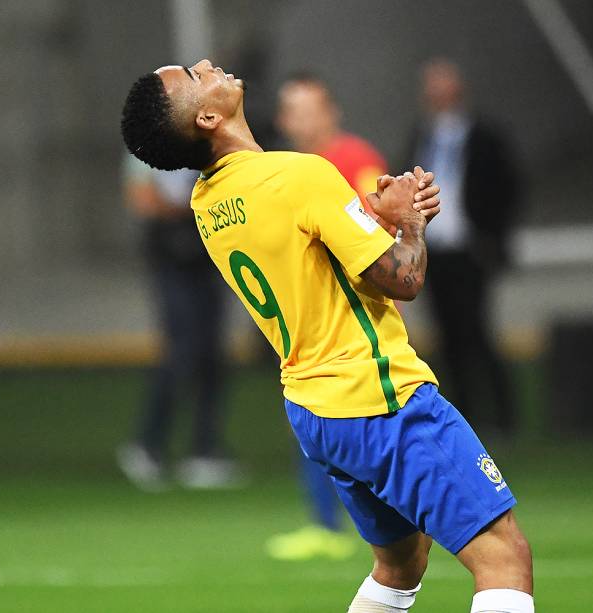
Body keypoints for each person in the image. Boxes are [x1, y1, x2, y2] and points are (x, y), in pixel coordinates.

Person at [121, 59, 534, 613]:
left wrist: (374, 219)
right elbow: (404, 279)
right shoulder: (300, 175)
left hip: (317, 413)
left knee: (399, 566)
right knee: (503, 555)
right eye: (193, 79)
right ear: (211, 117)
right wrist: (409, 225)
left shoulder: (208, 204)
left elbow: (312, 254)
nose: (204, 65)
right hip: (380, 396)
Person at [262, 73, 389, 561]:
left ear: (331, 111)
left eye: (309, 107)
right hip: (309, 326)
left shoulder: (356, 159)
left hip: (359, 320)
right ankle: (325, 524)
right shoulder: (281, 170)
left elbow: (377, 231)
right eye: (292, 109)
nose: (300, 118)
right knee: (314, 422)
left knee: (368, 425)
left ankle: (386, 527)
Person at [406, 58, 520, 434]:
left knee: (477, 331)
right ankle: (463, 416)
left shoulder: (484, 137)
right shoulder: (420, 137)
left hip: (471, 251)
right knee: (447, 337)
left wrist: (493, 238)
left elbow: (508, 189)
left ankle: (503, 417)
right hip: (434, 251)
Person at [116, 154, 241, 491]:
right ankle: (147, 445)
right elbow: (143, 199)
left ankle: (204, 450)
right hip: (171, 255)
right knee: (181, 351)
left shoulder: (206, 141)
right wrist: (196, 208)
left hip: (207, 254)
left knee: (212, 354)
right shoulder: (150, 142)